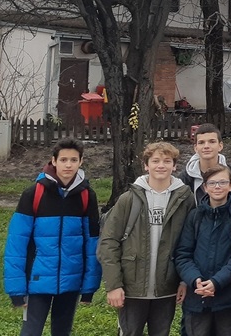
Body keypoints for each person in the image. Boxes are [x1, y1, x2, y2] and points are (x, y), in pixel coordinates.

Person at [4, 138, 101, 336]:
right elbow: (17, 242)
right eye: (63, 160)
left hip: (71, 280)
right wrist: (16, 289)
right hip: (37, 280)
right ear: (54, 161)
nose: (68, 165)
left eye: (73, 160)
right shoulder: (34, 194)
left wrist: (89, 286)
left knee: (62, 331)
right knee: (31, 331)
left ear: (81, 162)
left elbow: (92, 243)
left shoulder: (86, 196)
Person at [98, 142, 195, 336]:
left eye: (167, 161)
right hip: (132, 288)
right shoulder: (128, 199)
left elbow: (191, 243)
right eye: (155, 161)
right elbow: (109, 242)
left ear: (174, 166)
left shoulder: (185, 199)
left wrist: (185, 281)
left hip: (166, 288)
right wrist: (114, 285)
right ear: (146, 165)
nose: (161, 165)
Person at [174, 164, 231, 336]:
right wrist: (195, 280)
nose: (217, 187)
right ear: (205, 187)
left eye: (222, 182)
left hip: (227, 296)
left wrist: (217, 282)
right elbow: (183, 254)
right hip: (197, 296)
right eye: (212, 183)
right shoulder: (195, 216)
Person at [180, 123, 231, 204]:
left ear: (220, 146)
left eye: (212, 142)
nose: (206, 146)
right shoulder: (183, 180)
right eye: (201, 142)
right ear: (196, 148)